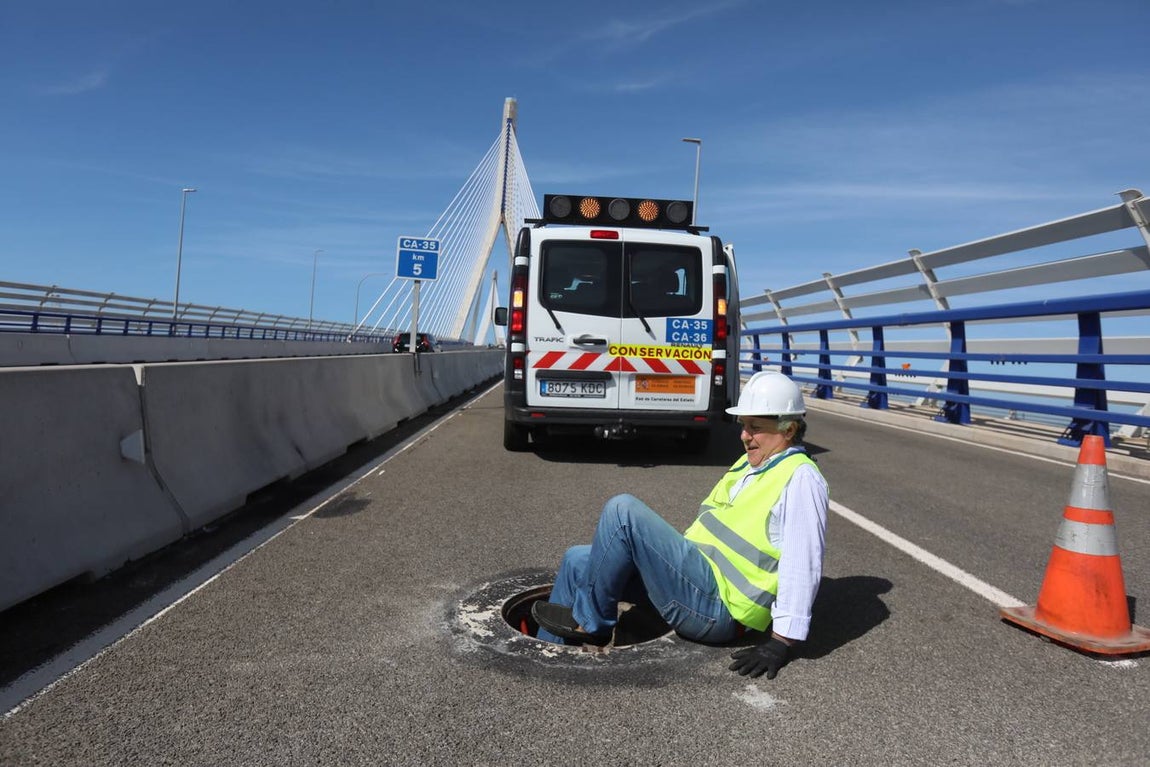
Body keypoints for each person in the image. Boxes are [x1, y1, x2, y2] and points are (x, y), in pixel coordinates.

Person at [531, 371, 829, 680]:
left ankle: (591, 625)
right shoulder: (749, 464)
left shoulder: (801, 478)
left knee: (623, 510)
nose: (744, 436)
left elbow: (803, 563)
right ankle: (546, 658)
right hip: (695, 581)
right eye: (743, 425)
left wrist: (781, 641)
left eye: (755, 427)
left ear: (789, 429)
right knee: (577, 560)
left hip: (720, 608)